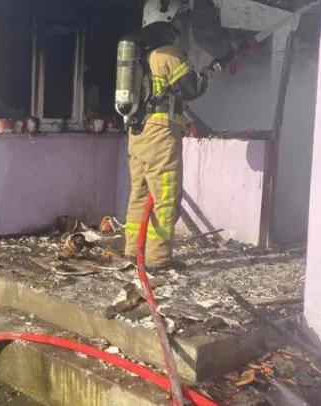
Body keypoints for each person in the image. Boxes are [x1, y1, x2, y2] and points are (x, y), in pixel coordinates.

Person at [123, 0, 211, 270]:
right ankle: (158, 259)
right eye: (178, 18)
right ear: (168, 20)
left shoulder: (142, 56)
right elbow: (191, 89)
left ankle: (133, 251)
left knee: (139, 194)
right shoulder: (169, 54)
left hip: (137, 134)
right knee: (166, 199)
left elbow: (162, 98)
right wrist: (208, 72)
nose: (180, 24)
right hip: (160, 137)